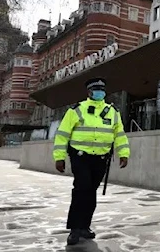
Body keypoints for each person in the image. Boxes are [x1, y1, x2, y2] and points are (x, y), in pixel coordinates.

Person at [53, 77, 130, 246]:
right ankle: (74, 229)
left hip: (101, 158)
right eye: (96, 90)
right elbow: (62, 134)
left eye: (102, 90)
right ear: (89, 92)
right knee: (82, 189)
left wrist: (124, 153)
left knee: (91, 192)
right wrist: (59, 158)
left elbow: (120, 135)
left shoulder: (112, 112)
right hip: (80, 157)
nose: (99, 93)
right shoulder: (76, 110)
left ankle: (84, 227)